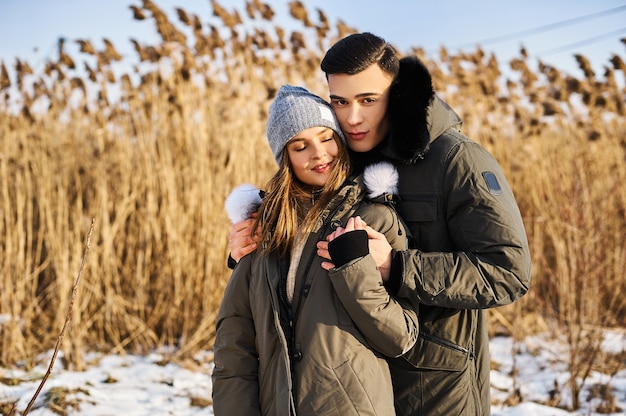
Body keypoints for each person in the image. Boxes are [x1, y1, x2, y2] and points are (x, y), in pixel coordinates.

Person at [228, 33, 532, 415]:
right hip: (358, 388)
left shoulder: (457, 160)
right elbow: (303, 214)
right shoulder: (348, 156)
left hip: (436, 389)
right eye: (339, 102)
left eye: (368, 100)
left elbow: (507, 272)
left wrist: (397, 265)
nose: (352, 117)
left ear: (397, 93)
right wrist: (259, 237)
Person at [212, 84, 419, 415]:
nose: (318, 153)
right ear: (286, 158)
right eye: (300, 146)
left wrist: (355, 271)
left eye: (326, 137)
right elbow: (235, 344)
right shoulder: (262, 229)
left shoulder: (375, 218)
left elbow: (400, 338)